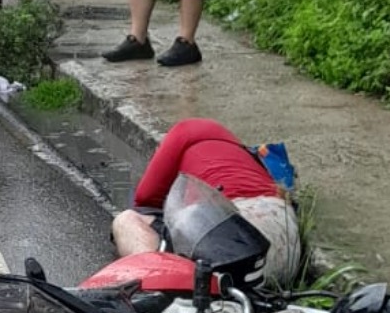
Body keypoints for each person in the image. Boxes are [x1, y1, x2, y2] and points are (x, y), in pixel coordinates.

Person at [112, 118, 301, 285]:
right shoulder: (241, 156)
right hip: (283, 242)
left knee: (126, 220)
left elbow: (144, 198)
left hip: (234, 238)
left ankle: (155, 282)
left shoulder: (186, 130)